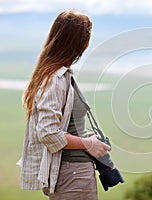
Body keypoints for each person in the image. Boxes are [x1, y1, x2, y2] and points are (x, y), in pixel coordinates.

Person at [19, 10, 111, 200]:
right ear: (79, 43)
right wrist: (88, 144)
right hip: (72, 174)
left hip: (75, 172)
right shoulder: (55, 79)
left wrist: (86, 137)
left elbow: (62, 127)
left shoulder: (59, 76)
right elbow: (48, 132)